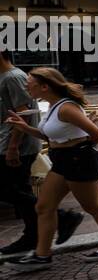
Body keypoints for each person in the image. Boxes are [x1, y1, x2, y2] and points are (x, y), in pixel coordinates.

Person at [4, 67, 98, 272]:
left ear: (45, 86)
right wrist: (25, 128)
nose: (26, 86)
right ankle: (42, 255)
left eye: (29, 83)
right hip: (62, 160)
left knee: (93, 206)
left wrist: (79, 148)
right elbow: (51, 137)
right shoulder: (53, 106)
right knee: (43, 207)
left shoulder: (66, 108)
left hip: (78, 159)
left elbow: (97, 135)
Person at [0, 48, 85, 256]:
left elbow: (25, 114)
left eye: (33, 85)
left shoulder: (13, 77)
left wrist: (13, 147)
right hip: (9, 141)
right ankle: (37, 235)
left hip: (16, 145)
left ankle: (59, 220)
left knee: (10, 189)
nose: (31, 87)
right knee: (17, 190)